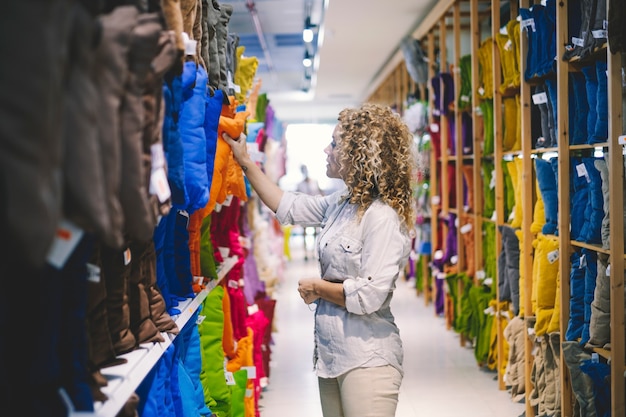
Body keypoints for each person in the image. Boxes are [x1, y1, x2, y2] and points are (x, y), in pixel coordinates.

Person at [223, 102, 416, 417]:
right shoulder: (343, 204)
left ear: (358, 154)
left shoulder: (381, 216)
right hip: (332, 355)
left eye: (336, 144)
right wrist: (245, 161)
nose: (327, 150)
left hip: (367, 358)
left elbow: (371, 294)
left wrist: (318, 286)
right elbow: (289, 206)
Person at [296, 164, 323, 260]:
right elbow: (296, 196)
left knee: (316, 231)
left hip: (315, 209)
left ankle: (313, 252)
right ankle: (306, 253)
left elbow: (320, 193)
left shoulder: (314, 182)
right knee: (304, 232)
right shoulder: (300, 185)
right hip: (305, 210)